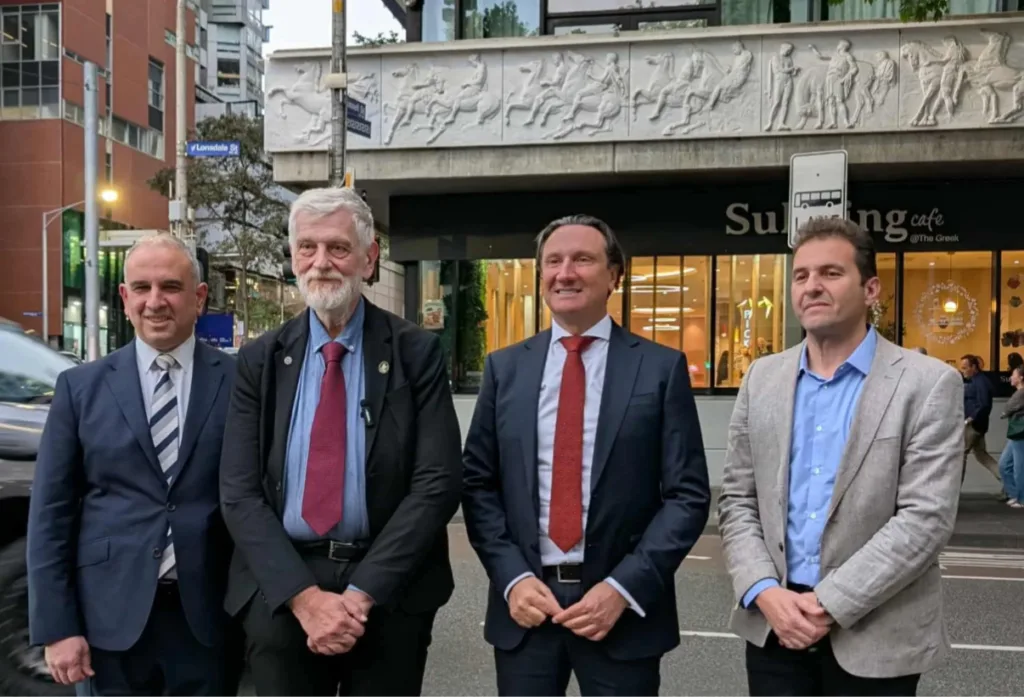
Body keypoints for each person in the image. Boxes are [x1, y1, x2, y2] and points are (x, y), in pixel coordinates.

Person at [219, 187, 462, 696]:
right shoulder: (261, 360)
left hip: (388, 586)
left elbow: (436, 484)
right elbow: (239, 492)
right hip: (284, 587)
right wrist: (306, 600)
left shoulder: (415, 353)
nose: (321, 262)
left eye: (338, 247)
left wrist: (361, 595)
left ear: (369, 258)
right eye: (307, 247)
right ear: (293, 258)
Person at [462, 213, 711, 696]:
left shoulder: (660, 369)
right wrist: (512, 578)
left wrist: (623, 588)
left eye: (582, 259)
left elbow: (687, 496)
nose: (565, 273)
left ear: (614, 275)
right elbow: (477, 484)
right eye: (553, 261)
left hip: (621, 615)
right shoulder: (505, 369)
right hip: (527, 610)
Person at [718, 218, 964, 697]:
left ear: (870, 289)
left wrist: (827, 603)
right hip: (773, 625)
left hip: (876, 632)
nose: (812, 286)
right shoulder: (761, 378)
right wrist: (763, 590)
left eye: (831, 273)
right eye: (801, 275)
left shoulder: (927, 383)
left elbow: (925, 519)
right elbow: (737, 500)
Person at [26, 234, 239, 695]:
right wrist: (57, 627)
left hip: (208, 619)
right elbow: (50, 515)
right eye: (141, 288)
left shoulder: (240, 383)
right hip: (107, 623)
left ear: (199, 297)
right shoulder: (79, 388)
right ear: (124, 298)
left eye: (171, 287)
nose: (154, 302)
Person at [960, 353, 1000, 484]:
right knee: (982, 455)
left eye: (965, 367)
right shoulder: (978, 381)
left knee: (960, 455)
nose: (963, 371)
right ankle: (1009, 483)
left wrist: (970, 418)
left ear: (974, 367)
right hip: (978, 425)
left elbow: (984, 404)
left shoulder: (980, 382)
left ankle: (955, 489)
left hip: (973, 425)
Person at [997, 364, 1024, 507]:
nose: (1011, 378)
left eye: (1014, 375)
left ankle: (1021, 498)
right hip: (1015, 433)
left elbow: (1007, 409)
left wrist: (1006, 413)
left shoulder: (1021, 393)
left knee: (1019, 467)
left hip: (1020, 433)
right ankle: (1015, 494)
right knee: (1004, 465)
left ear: (1021, 378)